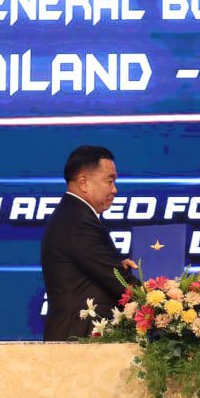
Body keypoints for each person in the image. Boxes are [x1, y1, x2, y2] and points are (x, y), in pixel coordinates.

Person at [41, 145, 137, 341]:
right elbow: (116, 281)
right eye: (110, 181)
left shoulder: (73, 216)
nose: (115, 189)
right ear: (84, 182)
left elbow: (98, 271)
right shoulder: (79, 222)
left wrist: (118, 267)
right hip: (78, 342)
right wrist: (166, 302)